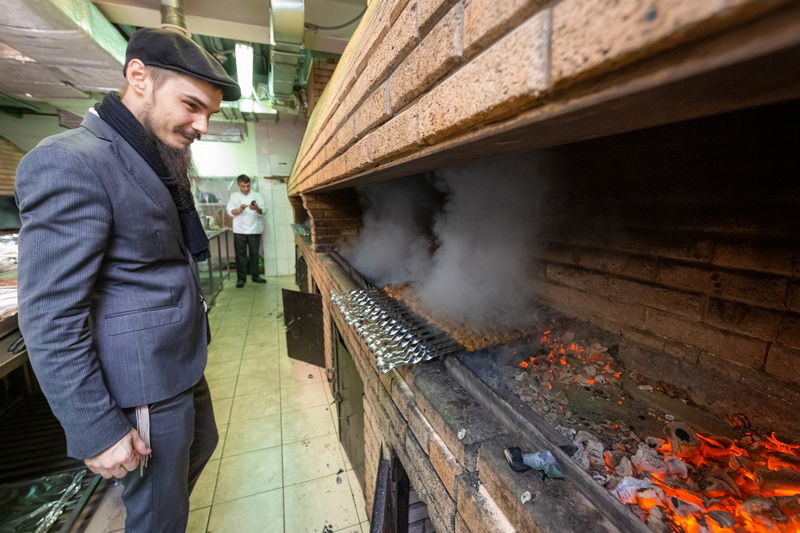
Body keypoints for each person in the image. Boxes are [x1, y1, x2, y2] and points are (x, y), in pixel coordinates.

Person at [15, 28, 240, 532]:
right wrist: (94, 428)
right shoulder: (71, 161)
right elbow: (50, 314)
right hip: (138, 378)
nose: (202, 124)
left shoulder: (145, 153)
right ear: (138, 76)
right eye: (191, 105)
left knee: (199, 449)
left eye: (210, 112)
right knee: (159, 516)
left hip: (173, 364)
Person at [226, 174, 267, 288]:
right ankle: (241, 279)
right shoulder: (234, 196)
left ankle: (255, 276)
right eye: (243, 186)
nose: (246, 188)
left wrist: (256, 208)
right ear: (238, 184)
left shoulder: (257, 195)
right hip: (239, 230)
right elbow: (230, 212)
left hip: (255, 230)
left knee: (254, 254)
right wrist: (239, 210)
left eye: (248, 186)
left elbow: (264, 211)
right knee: (240, 255)